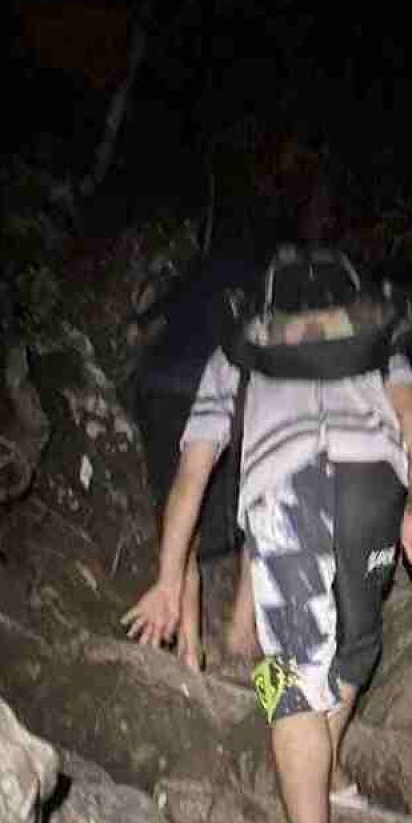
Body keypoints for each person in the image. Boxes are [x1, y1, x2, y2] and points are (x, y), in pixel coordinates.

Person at [122, 180, 412, 823]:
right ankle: (330, 774)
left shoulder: (242, 347)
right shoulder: (374, 334)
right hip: (377, 478)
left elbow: (193, 474)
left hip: (286, 489)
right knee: (357, 645)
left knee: (284, 676)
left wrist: (168, 578)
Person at [129, 231, 260, 671]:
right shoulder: (252, 311)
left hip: (163, 387)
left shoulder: (185, 281)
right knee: (257, 496)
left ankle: (192, 649)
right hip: (201, 384)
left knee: (184, 501)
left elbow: (143, 328)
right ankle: (235, 638)